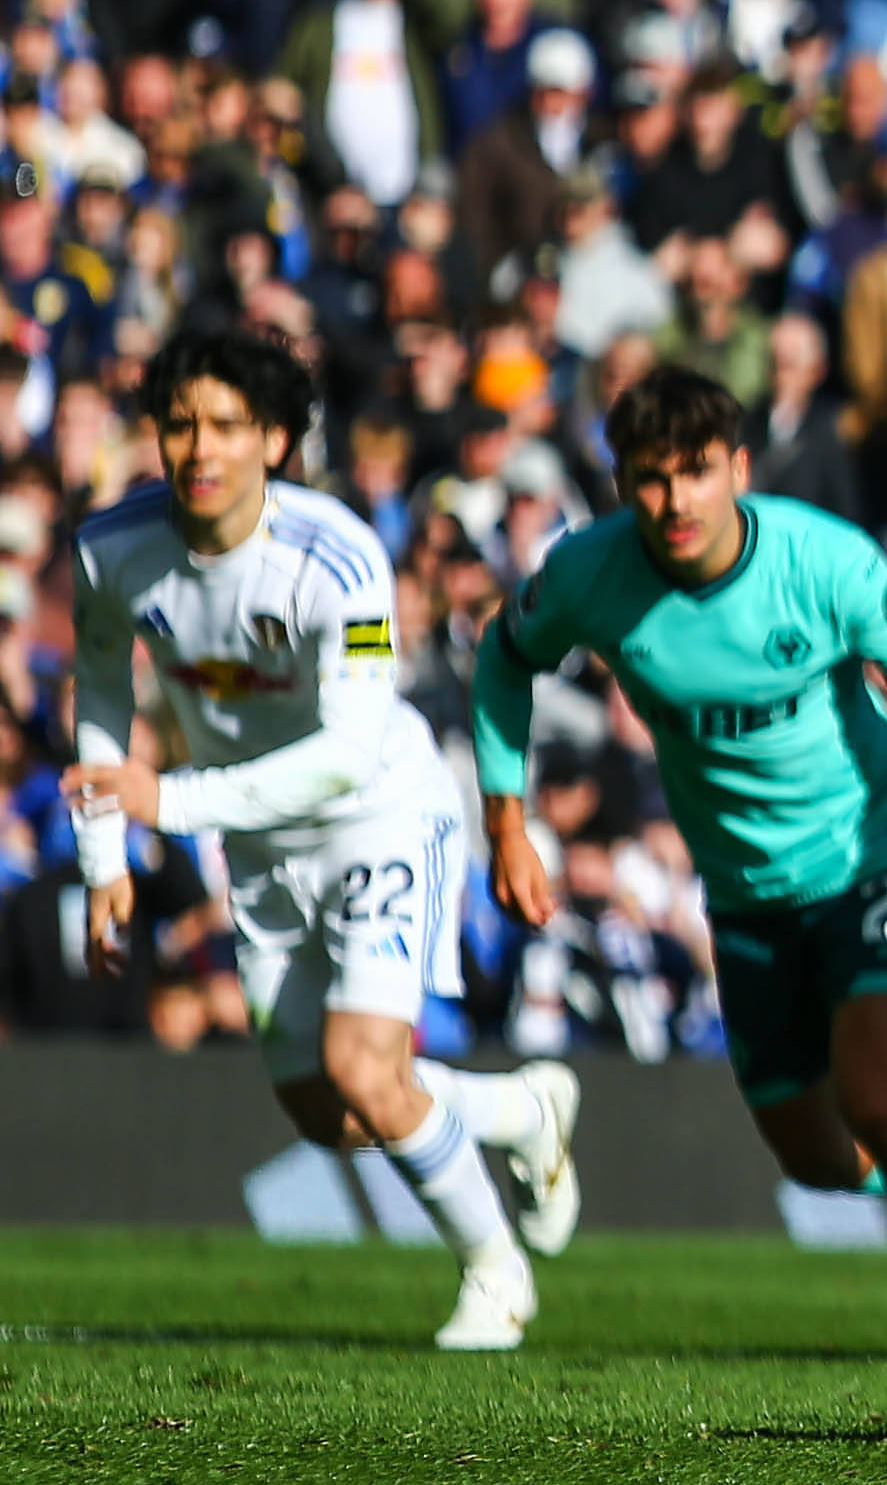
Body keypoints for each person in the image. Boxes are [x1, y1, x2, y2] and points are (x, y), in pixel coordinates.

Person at [471, 365, 887, 1359]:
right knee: (821, 1159)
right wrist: (507, 822)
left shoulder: (823, 561)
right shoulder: (589, 574)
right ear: (621, 482)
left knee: (880, 1096)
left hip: (875, 855)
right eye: (651, 478)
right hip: (746, 896)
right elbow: (504, 659)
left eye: (698, 473)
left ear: (739, 469)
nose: (675, 502)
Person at [64, 326, 578, 1350]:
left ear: (276, 442)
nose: (199, 450)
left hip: (377, 815)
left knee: (366, 1067)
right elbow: (96, 682)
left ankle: (495, 1274)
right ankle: (520, 1111)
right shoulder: (109, 551)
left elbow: (345, 755)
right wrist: (104, 856)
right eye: (178, 426)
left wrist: (168, 804)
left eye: (225, 427)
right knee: (330, 1113)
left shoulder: (340, 556)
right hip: (256, 845)